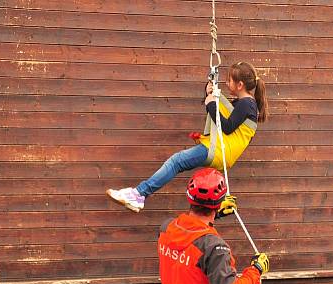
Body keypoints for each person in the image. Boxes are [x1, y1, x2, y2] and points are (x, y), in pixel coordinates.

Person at [107, 61, 268, 212]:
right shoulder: (243, 103)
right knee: (177, 162)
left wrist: (210, 103)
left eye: (229, 81)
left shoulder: (247, 104)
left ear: (240, 85)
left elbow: (226, 127)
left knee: (176, 161)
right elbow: (221, 114)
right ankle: (140, 194)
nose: (227, 84)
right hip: (219, 150)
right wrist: (210, 93)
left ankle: (139, 194)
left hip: (218, 150)